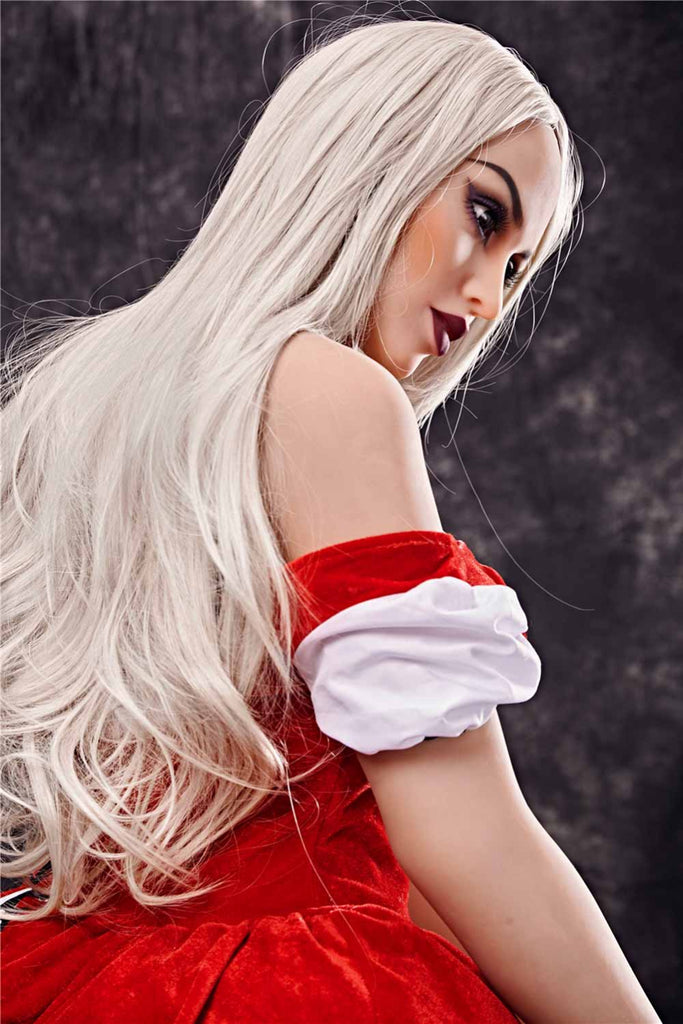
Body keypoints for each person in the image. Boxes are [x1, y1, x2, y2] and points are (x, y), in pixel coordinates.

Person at [0, 14, 661, 1023]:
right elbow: (465, 834)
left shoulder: (69, 389)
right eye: (484, 214)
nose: (488, 301)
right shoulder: (334, 393)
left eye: (515, 267)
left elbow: (384, 858)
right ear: (377, 153)